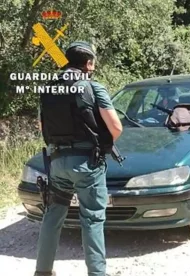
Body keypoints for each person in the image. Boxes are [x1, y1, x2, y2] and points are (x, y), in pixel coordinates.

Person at [34, 41, 123, 276]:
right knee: (92, 218)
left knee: (52, 216)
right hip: (87, 163)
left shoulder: (49, 88)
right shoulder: (93, 87)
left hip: (57, 161)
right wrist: (104, 143)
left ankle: (42, 272)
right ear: (89, 63)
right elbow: (116, 127)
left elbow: (42, 125)